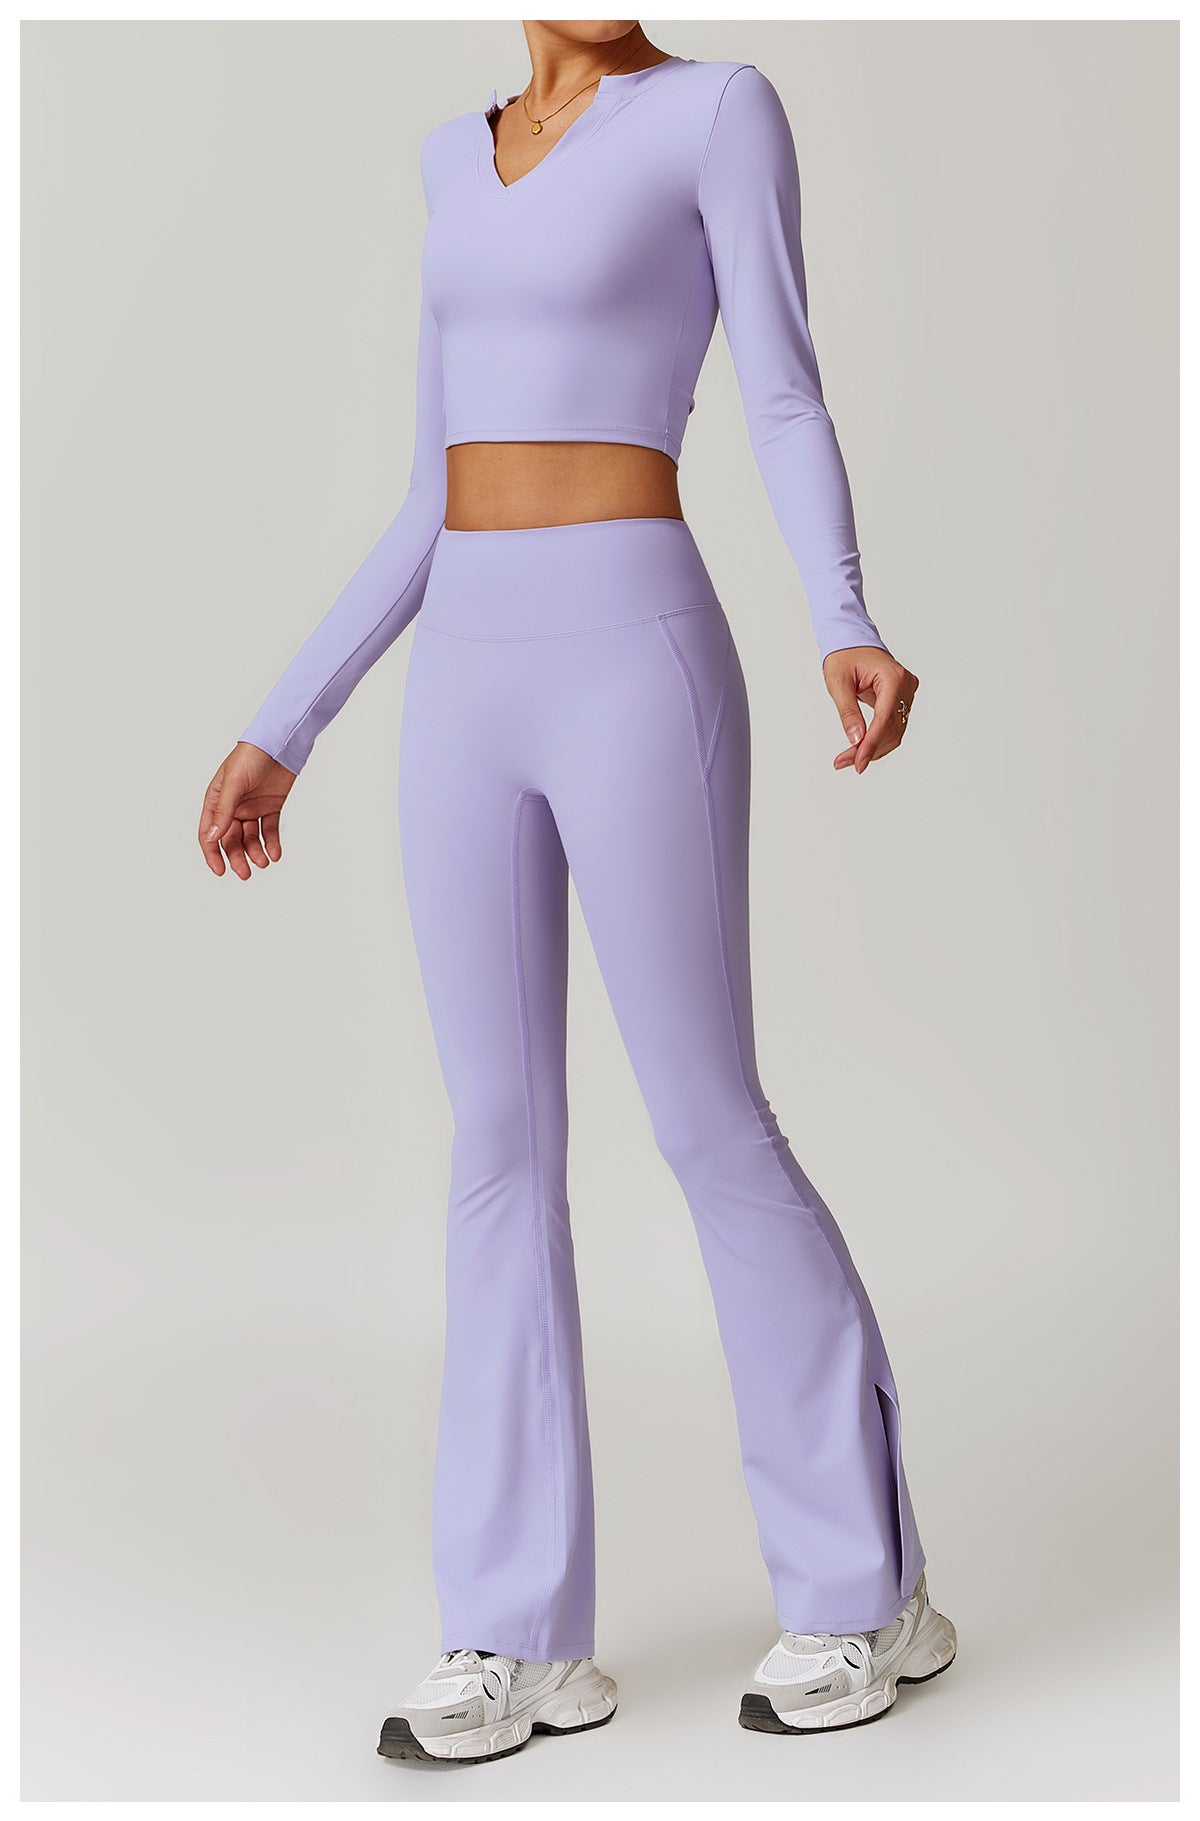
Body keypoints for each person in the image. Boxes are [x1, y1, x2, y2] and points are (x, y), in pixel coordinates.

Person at [198, 21, 956, 1763]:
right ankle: (518, 1635)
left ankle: (867, 1590)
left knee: (706, 1118)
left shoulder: (716, 113)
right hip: (463, 673)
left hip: (634, 650)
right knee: (497, 1142)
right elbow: (426, 492)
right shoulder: (448, 161)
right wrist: (284, 722)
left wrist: (842, 611)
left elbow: (780, 388)